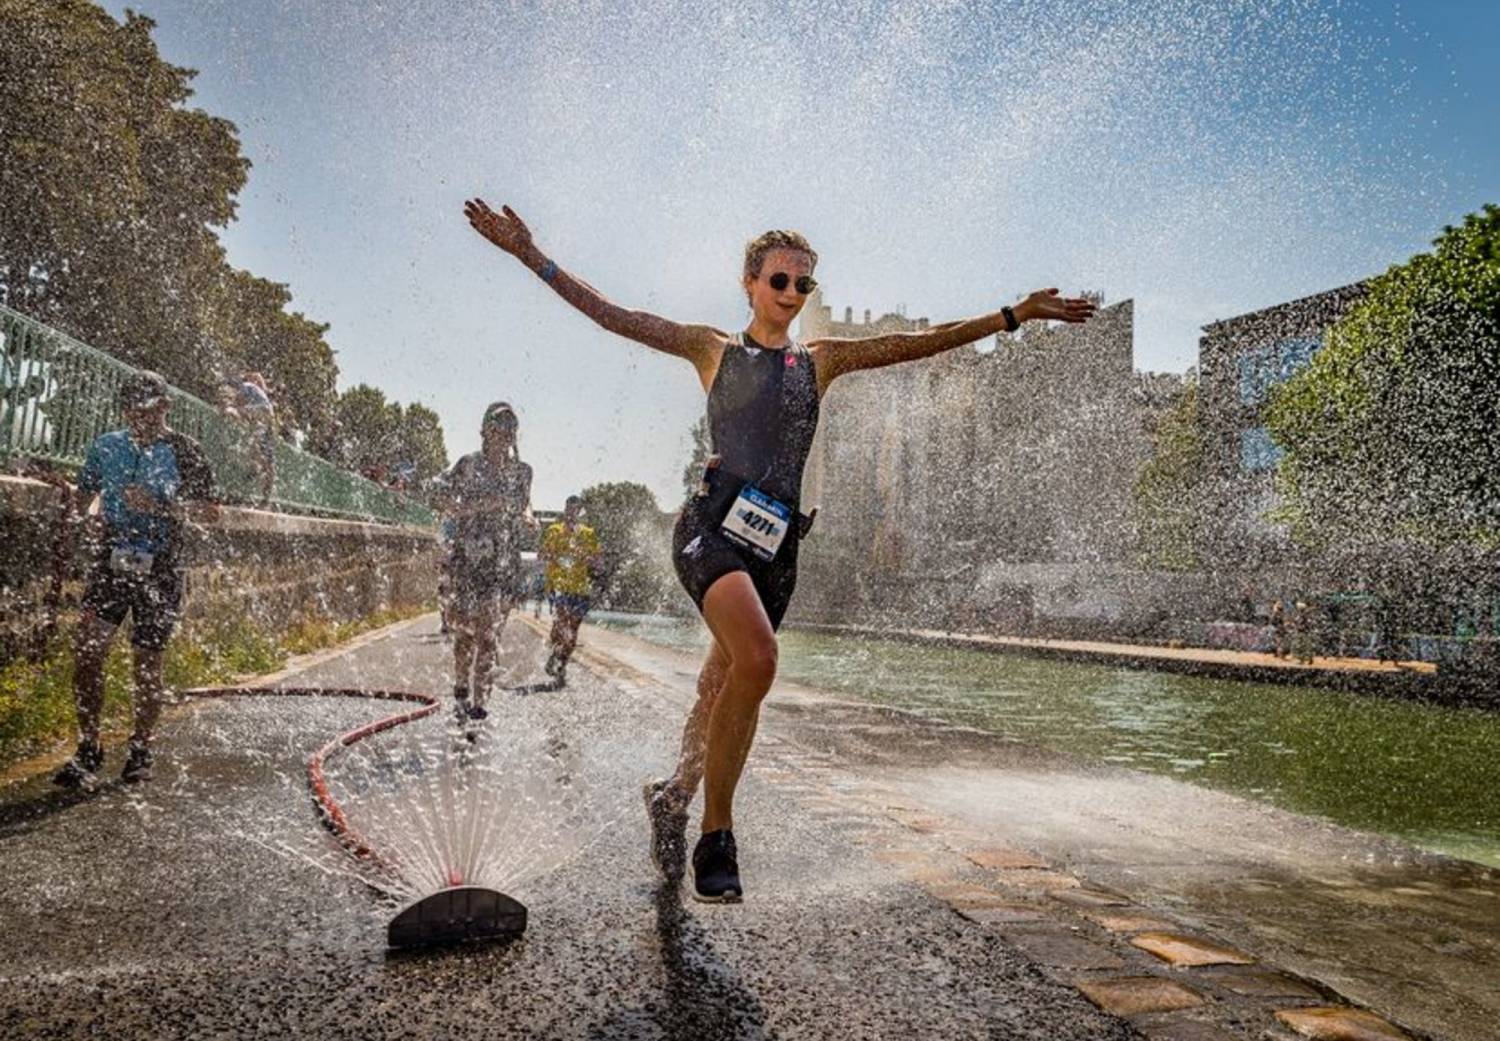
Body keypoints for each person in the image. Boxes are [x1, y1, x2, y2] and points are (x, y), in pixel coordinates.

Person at [465, 198, 1094, 902]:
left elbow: (923, 339)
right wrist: (532, 255)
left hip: (776, 553)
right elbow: (615, 315)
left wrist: (1012, 315)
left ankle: (673, 797)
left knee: (718, 687)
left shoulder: (820, 363)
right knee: (759, 658)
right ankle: (717, 835)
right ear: (749, 282)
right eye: (780, 281)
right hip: (711, 531)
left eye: (804, 284)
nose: (792, 295)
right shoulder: (713, 350)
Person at [53, 371, 219, 788]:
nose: (140, 417)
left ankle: (140, 748)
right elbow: (84, 494)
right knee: (88, 651)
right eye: (132, 409)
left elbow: (210, 512)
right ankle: (89, 747)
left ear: (165, 406)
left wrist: (163, 505)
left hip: (161, 566)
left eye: (148, 408)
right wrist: (80, 517)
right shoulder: (106, 446)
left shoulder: (185, 451)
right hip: (112, 561)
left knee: (146, 664)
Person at [431, 401, 535, 730]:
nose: (503, 435)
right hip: (467, 558)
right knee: (465, 634)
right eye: (498, 428)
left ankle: (479, 703)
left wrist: (529, 519)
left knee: (488, 635)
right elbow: (446, 503)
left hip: (501, 562)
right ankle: (461, 684)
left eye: (509, 429)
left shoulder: (522, 472)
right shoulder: (466, 465)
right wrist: (486, 506)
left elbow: (522, 506)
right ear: (484, 431)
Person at [540, 495, 603, 685]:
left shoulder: (588, 534)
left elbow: (598, 563)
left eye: (576, 510)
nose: (572, 513)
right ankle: (555, 654)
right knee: (561, 625)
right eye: (570, 509)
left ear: (580, 512)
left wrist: (585, 557)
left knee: (573, 630)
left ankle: (561, 665)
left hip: (580, 588)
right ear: (565, 510)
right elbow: (542, 555)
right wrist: (554, 554)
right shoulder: (554, 531)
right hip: (558, 586)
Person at [221, 371, 277, 504]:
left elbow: (240, 407)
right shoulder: (258, 391)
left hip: (261, 413)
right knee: (265, 457)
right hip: (269, 419)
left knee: (232, 411)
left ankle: (255, 469)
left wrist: (229, 409)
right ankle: (265, 495)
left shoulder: (245, 387)